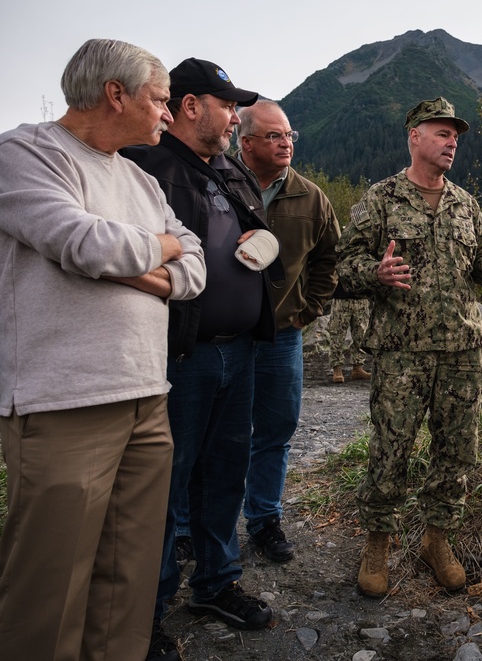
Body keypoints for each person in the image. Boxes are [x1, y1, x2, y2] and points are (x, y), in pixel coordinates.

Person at [0, 39, 206, 661]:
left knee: (128, 582)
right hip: (65, 400)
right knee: (50, 588)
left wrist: (140, 261)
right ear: (116, 94)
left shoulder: (142, 179)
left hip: (147, 396)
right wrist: (160, 248)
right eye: (160, 99)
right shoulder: (26, 153)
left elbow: (194, 268)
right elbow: (84, 243)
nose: (168, 113)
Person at [121, 58, 280, 660]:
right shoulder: (146, 166)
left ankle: (215, 584)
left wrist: (261, 243)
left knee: (224, 475)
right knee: (163, 486)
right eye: (227, 106)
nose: (236, 118)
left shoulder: (231, 171)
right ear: (191, 107)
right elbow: (130, 257)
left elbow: (257, 241)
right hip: (179, 356)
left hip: (239, 351)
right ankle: (145, 613)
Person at [335, 97, 482, 597]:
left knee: (457, 451)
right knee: (390, 448)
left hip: (463, 349)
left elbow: (478, 267)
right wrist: (374, 273)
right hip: (403, 351)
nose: (451, 142)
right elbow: (341, 268)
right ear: (414, 136)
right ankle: (378, 543)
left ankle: (437, 540)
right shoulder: (381, 199)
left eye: (455, 136)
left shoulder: (465, 203)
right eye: (442, 133)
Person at [236, 100, 340, 561]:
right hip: (221, 336)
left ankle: (264, 520)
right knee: (211, 433)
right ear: (246, 142)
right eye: (274, 135)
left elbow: (329, 259)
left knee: (275, 431)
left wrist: (307, 310)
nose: (286, 143)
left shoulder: (311, 197)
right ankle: (187, 526)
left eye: (289, 135)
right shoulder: (218, 184)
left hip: (281, 336)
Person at [318, 296, 371, 383]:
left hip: (361, 298)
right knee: (337, 334)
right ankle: (337, 368)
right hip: (341, 298)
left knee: (361, 335)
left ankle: (358, 368)